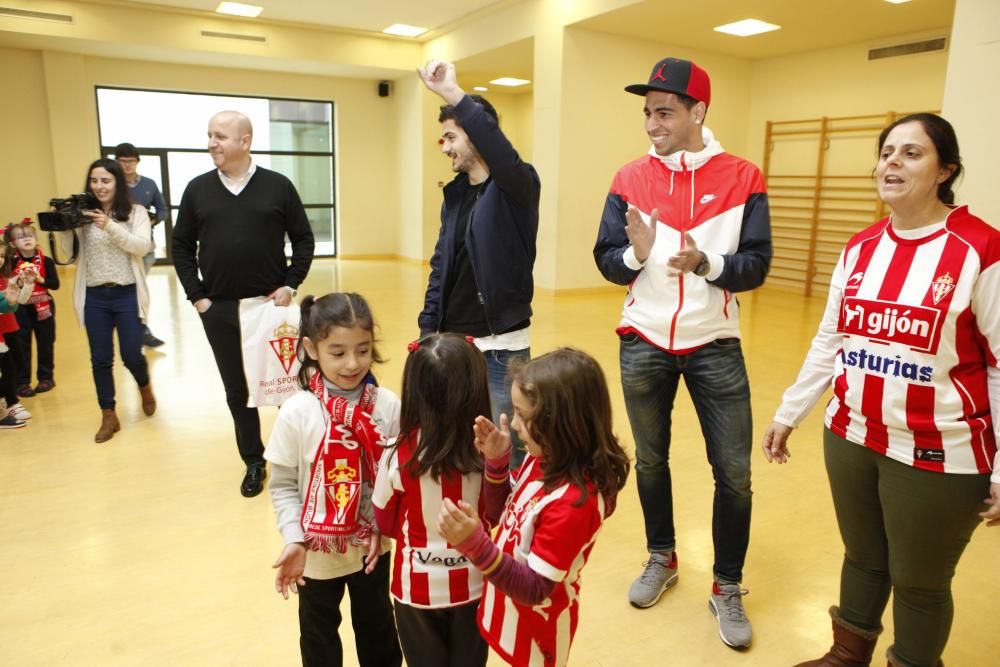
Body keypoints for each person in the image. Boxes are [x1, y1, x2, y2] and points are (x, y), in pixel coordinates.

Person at [761, 113, 1000, 667]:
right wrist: (789, 412)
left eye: (911, 153)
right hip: (851, 433)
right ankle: (847, 655)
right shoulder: (861, 247)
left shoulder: (979, 249)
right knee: (863, 558)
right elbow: (831, 339)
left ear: (946, 170)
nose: (891, 162)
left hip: (939, 453)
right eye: (887, 151)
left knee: (919, 582)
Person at [593, 57, 772, 647]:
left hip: (714, 345)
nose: (651, 124)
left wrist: (707, 263)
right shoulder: (628, 179)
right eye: (647, 113)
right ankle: (662, 557)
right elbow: (604, 257)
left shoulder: (744, 177)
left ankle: (726, 587)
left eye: (663, 112)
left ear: (698, 111)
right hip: (643, 340)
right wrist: (638, 256)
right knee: (650, 461)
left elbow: (756, 266)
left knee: (736, 474)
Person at [438, 348, 631, 667]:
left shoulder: (574, 504)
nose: (513, 425)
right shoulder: (541, 458)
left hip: (537, 630)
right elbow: (502, 511)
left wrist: (475, 544)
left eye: (523, 416)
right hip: (506, 606)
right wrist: (497, 463)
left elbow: (536, 588)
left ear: (564, 424)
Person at [172, 110, 315, 498]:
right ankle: (254, 460)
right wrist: (198, 297)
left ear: (245, 142)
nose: (211, 143)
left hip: (272, 308)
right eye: (209, 135)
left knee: (286, 387)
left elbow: (303, 239)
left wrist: (291, 283)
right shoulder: (197, 190)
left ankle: (292, 459)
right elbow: (181, 247)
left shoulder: (278, 186)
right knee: (238, 390)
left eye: (219, 136)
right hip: (220, 310)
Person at [264, 292, 402, 667]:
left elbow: (398, 476)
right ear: (310, 348)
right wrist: (294, 538)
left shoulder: (386, 405)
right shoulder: (297, 411)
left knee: (378, 631)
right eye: (338, 353)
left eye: (363, 349)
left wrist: (380, 522)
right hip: (314, 553)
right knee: (319, 636)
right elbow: (283, 485)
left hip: (372, 549)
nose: (353, 363)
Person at [416, 59, 541, 471]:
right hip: (456, 347)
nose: (446, 147)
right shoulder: (454, 195)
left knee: (511, 446)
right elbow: (441, 267)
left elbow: (501, 151)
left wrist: (452, 92)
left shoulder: (516, 187)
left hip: (501, 350)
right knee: (463, 446)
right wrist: (426, 332)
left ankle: (513, 526)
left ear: (477, 136)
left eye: (451, 136)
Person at [372, 333, 493, 667]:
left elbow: (384, 520)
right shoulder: (487, 452)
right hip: (475, 585)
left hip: (415, 590)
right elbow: (498, 511)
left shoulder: (395, 453)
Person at [72, 158, 157, 443]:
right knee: (100, 359)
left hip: (126, 295)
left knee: (132, 354)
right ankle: (108, 414)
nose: (99, 186)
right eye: (94, 181)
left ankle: (144, 386)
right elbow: (69, 253)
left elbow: (141, 246)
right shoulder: (83, 215)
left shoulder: (136, 212)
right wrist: (64, 227)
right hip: (95, 295)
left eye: (105, 180)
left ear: (117, 182)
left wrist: (109, 225)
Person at [114, 142, 168, 349]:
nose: (127, 165)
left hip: (144, 245)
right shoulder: (113, 185)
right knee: (128, 290)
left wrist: (151, 221)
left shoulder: (149, 184)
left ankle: (141, 329)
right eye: (122, 161)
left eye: (131, 161)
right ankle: (136, 330)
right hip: (119, 246)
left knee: (139, 288)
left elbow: (162, 210)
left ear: (137, 162)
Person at [6, 221, 59, 396]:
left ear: (36, 239)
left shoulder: (46, 261)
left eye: (29, 235)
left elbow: (55, 284)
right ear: (13, 244)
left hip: (44, 306)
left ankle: (46, 377)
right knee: (22, 345)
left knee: (45, 342)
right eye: (20, 237)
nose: (26, 239)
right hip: (21, 308)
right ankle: (22, 382)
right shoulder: (11, 262)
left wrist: (39, 279)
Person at [0, 238, 33, 428]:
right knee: (7, 367)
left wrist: (26, 285)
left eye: (2, 256)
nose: (0, 260)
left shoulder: (5, 277)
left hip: (9, 328)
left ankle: (7, 401)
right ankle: (10, 402)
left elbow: (15, 304)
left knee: (17, 364)